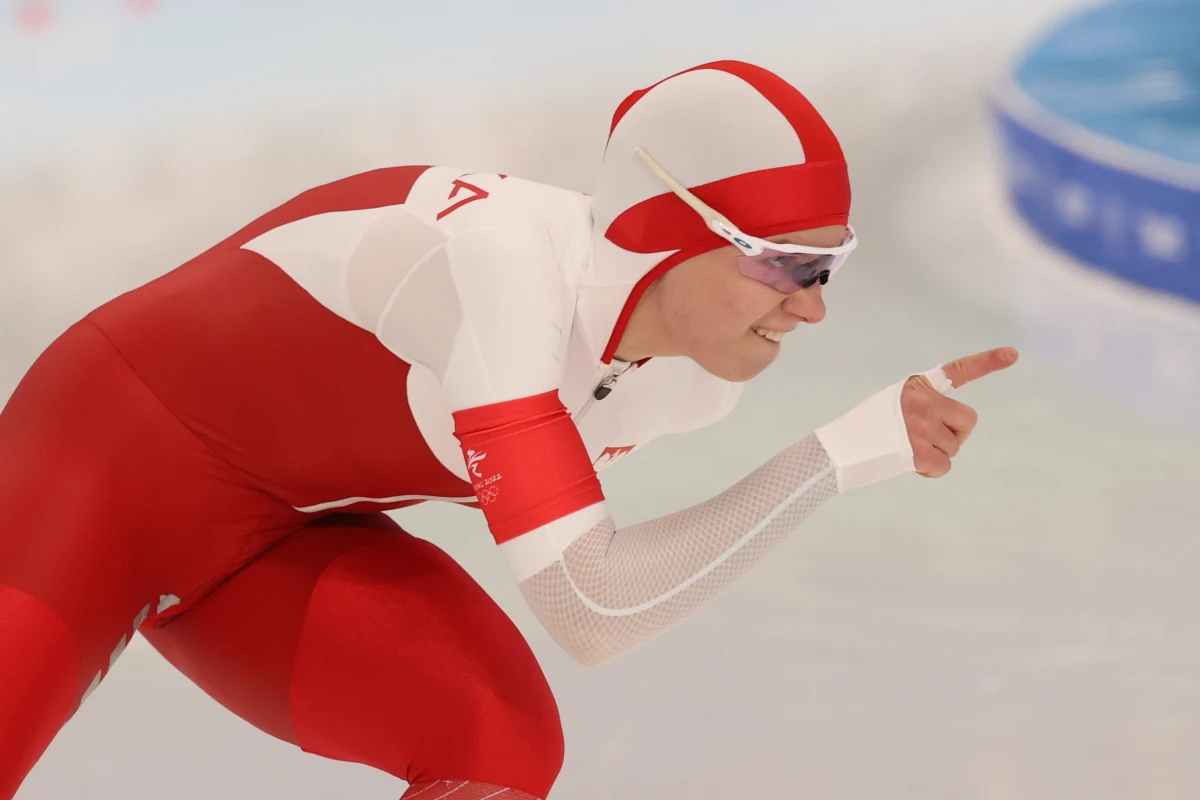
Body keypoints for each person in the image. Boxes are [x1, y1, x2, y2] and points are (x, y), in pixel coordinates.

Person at [0, 60, 1016, 800]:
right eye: (784, 266)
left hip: (278, 535)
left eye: (827, 266)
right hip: (99, 468)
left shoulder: (698, 380)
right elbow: (592, 605)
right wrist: (835, 456)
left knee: (495, 742)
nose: (813, 308)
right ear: (670, 228)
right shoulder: (502, 270)